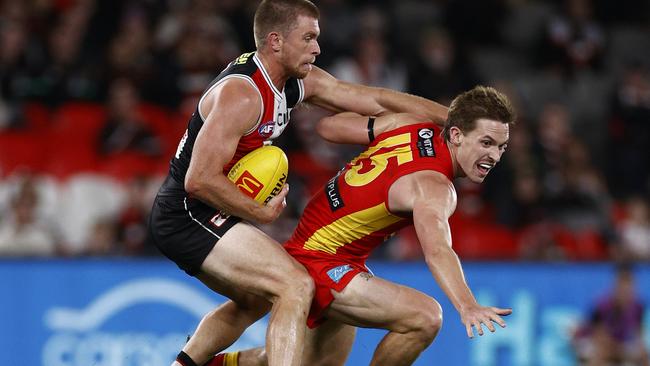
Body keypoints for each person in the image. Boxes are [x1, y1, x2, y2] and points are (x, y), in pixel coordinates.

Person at [146, 1, 449, 366]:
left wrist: (450, 117)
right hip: (186, 212)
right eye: (307, 38)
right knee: (295, 284)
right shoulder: (242, 94)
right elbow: (198, 180)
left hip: (211, 208)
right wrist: (260, 211)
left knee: (258, 297)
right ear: (275, 41)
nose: (317, 49)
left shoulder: (293, 82)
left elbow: (373, 98)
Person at [202, 85, 516, 366]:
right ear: (457, 135)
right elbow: (437, 250)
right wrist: (467, 305)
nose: (494, 156)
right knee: (425, 317)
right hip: (321, 261)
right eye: (486, 142)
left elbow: (329, 127)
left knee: (310, 362)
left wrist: (378, 125)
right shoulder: (435, 187)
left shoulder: (410, 125)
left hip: (323, 249)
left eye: (501, 147)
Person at [572, 264, 649, 365]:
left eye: (629, 287)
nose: (626, 291)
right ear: (616, 287)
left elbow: (639, 338)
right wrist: (621, 353)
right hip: (589, 341)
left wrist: (641, 356)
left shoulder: (639, 307)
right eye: (622, 287)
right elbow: (600, 339)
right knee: (598, 354)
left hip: (618, 345)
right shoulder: (601, 305)